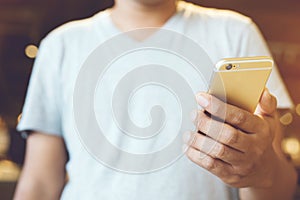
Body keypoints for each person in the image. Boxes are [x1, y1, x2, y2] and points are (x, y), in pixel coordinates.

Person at [14, 0, 297, 199]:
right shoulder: (61, 44)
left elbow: (278, 187)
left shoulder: (236, 33)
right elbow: (39, 183)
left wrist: (262, 172)